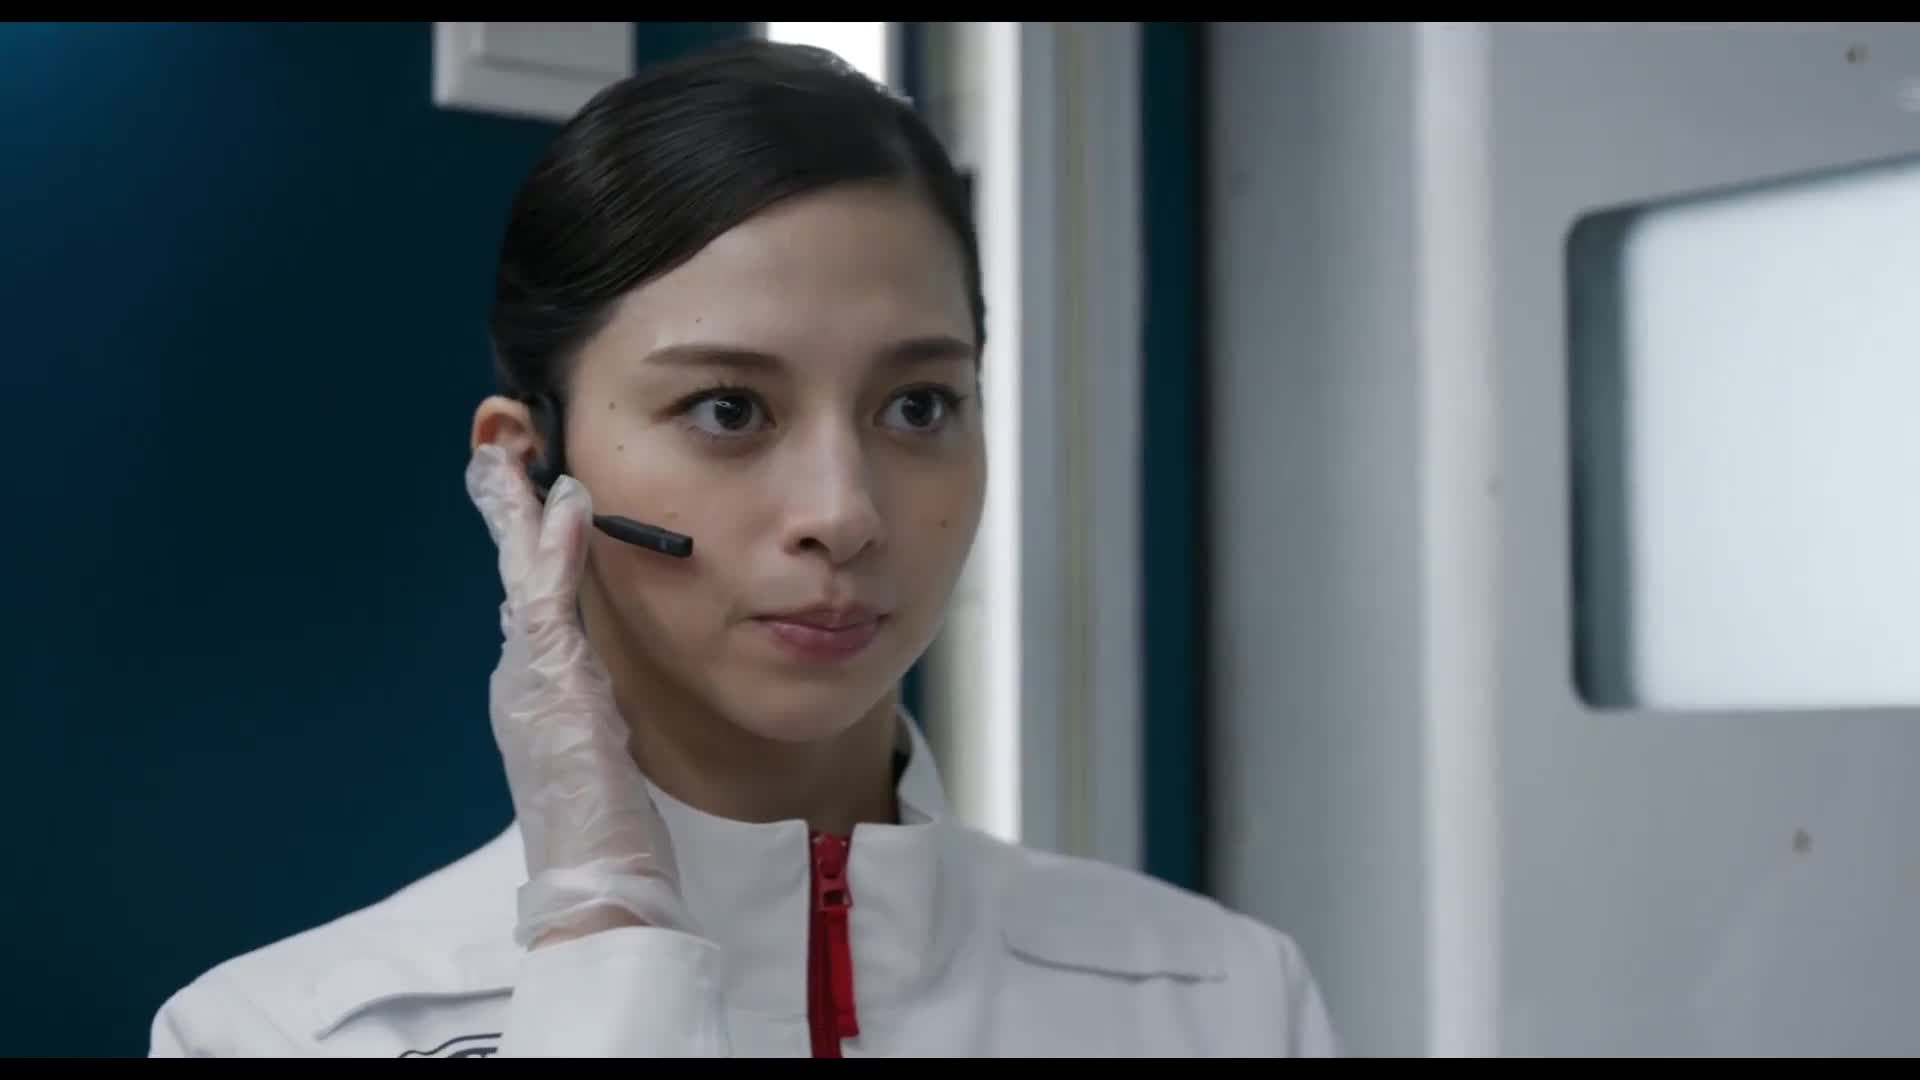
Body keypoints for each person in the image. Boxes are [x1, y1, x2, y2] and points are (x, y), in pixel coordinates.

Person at [147, 39, 1340, 1058]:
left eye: (918, 405)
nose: (844, 511)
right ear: (526, 471)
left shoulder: (1223, 1002)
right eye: (729, 409)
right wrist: (606, 953)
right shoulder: (279, 1035)